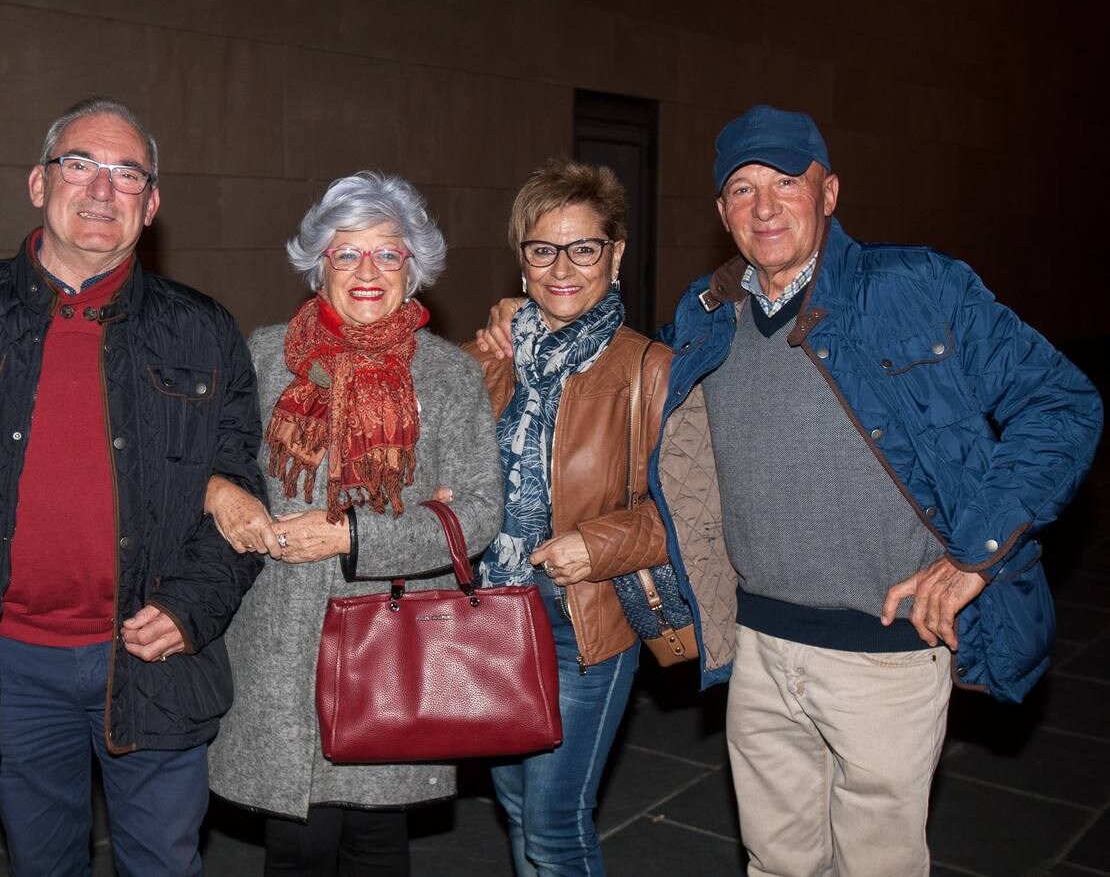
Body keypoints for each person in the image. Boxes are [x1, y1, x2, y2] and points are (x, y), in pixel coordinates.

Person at [480, 105, 1103, 875]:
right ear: (721, 211)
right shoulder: (708, 320)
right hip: (758, 653)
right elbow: (672, 469)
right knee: (774, 863)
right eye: (743, 189)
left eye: (787, 183)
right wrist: (513, 321)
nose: (765, 206)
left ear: (829, 192)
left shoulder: (917, 286)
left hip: (886, 655)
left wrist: (974, 557)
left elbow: (1063, 404)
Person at [0, 97, 265, 876]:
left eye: (126, 174)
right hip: (9, 660)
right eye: (80, 165)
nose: (102, 190)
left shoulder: (202, 331)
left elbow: (240, 487)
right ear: (39, 185)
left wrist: (192, 606)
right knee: (43, 866)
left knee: (164, 866)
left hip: (156, 662)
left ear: (151, 204)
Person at [204, 171, 503, 876]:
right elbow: (215, 461)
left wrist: (353, 536)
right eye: (347, 254)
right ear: (319, 267)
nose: (367, 271)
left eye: (388, 254)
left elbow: (481, 511)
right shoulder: (266, 356)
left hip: (389, 641)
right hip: (280, 642)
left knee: (376, 842)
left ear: (415, 268)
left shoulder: (449, 375)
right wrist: (220, 492)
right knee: (297, 845)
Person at [466, 159, 668, 875]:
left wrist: (599, 543)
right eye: (543, 248)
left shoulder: (650, 370)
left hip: (582, 616)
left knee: (554, 824)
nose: (562, 267)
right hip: (488, 616)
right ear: (522, 261)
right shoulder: (486, 360)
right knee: (517, 807)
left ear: (614, 257)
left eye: (583, 247)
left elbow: (685, 516)